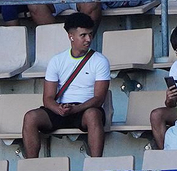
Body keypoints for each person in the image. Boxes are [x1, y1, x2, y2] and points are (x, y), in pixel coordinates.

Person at [21, 13, 110, 158]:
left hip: (84, 109)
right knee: (31, 117)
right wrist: (58, 108)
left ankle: (96, 165)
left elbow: (99, 98)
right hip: (61, 109)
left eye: (90, 34)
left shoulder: (100, 61)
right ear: (71, 36)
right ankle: (32, 166)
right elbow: (48, 98)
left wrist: (76, 109)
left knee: (94, 114)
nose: (88, 39)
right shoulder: (57, 60)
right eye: (83, 35)